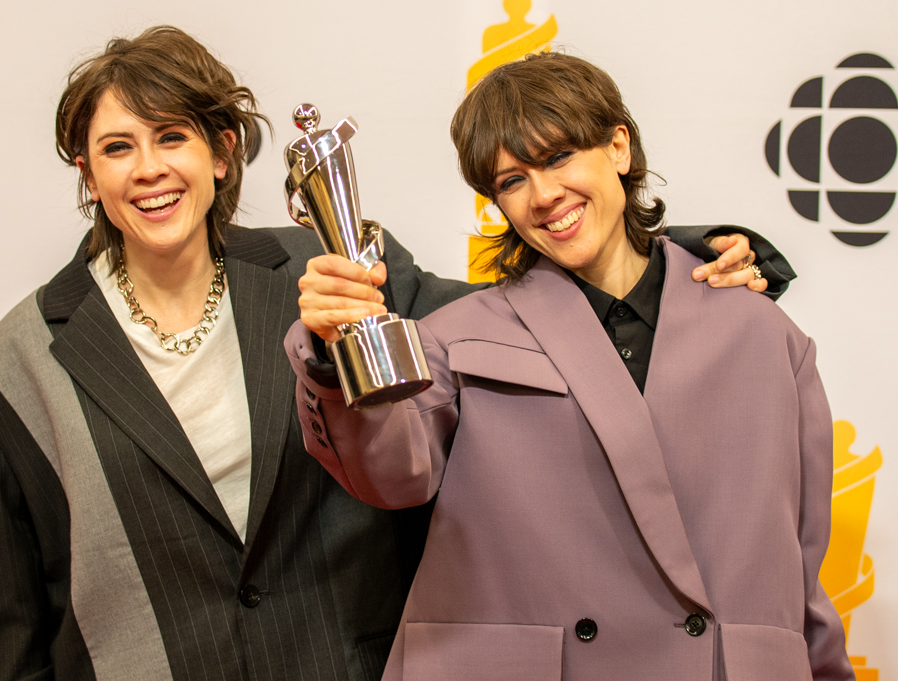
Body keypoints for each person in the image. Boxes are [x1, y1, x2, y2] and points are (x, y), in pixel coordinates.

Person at [0, 26, 788, 681]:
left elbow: (524, 316)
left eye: (170, 137)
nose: (149, 169)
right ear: (87, 174)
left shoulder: (334, 264)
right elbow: (14, 617)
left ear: (220, 151)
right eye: (116, 147)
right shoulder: (10, 366)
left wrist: (676, 254)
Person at [286, 51, 852, 680]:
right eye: (511, 180)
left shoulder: (762, 333)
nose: (544, 194)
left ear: (618, 148)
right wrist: (339, 353)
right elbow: (392, 474)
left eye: (558, 157)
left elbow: (800, 563)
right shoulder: (456, 336)